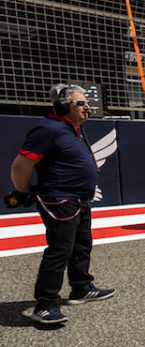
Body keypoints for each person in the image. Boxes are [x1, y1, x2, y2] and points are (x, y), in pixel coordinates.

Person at [4, 84, 115, 324]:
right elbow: (20, 166)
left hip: (79, 199)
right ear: (64, 106)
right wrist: (24, 191)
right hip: (60, 200)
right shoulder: (48, 129)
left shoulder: (71, 129)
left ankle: (81, 288)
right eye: (81, 103)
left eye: (87, 102)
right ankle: (45, 304)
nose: (88, 107)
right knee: (59, 251)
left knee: (82, 245)